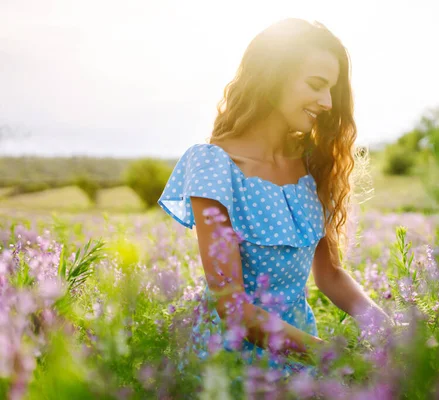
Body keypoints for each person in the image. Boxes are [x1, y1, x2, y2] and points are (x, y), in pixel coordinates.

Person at [158, 18, 391, 376]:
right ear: (272, 76)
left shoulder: (314, 166)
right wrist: (333, 358)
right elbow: (231, 305)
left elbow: (330, 275)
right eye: (316, 85)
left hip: (301, 357)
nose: (327, 102)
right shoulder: (215, 165)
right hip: (230, 363)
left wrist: (390, 330)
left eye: (332, 90)